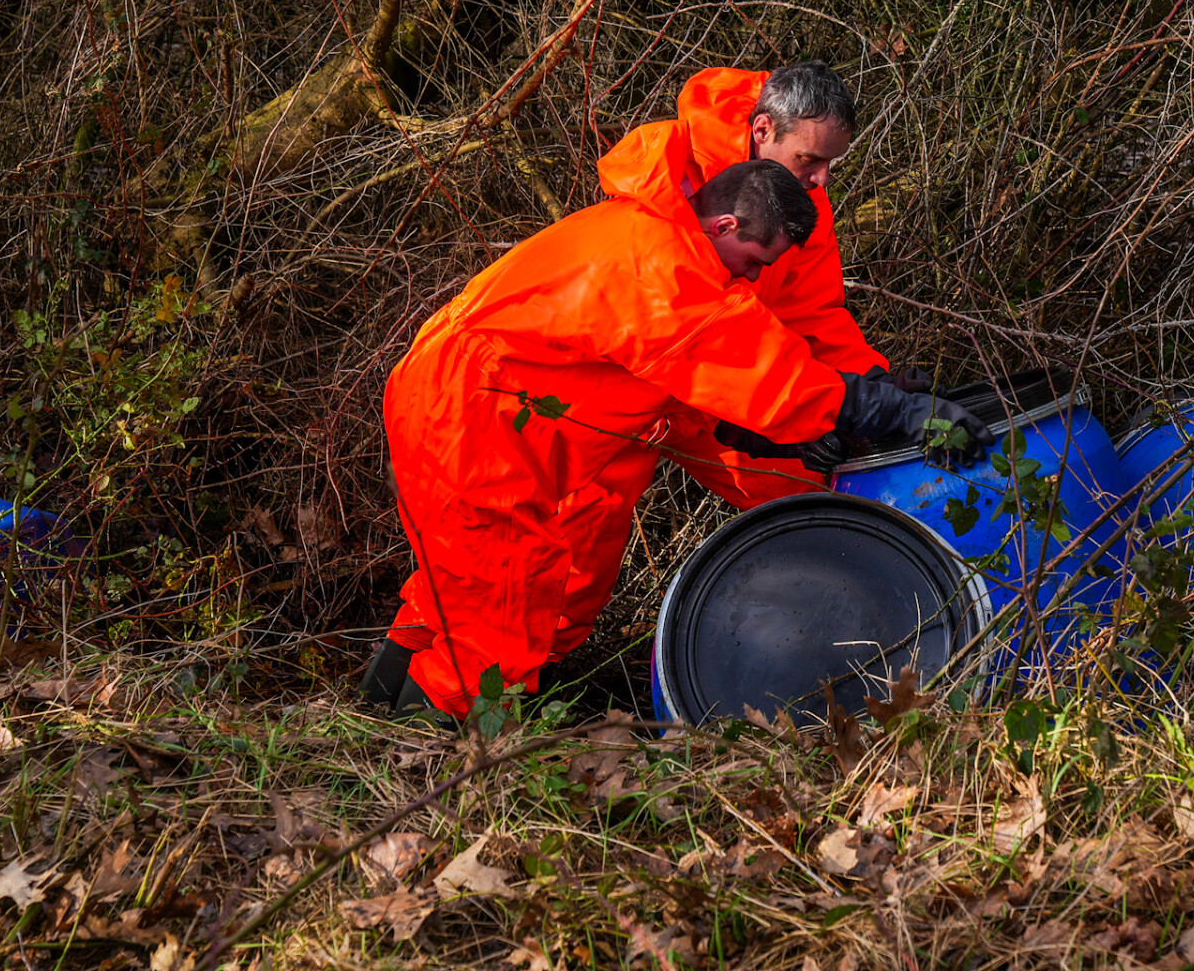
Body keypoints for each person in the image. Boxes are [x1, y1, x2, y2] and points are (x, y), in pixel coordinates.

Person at [365, 159, 991, 719]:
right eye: (753, 261)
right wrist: (900, 413)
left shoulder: (650, 234)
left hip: (459, 401)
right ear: (723, 226)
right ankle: (437, 772)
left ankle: (369, 724)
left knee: (453, 590)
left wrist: (815, 429)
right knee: (497, 610)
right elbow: (774, 380)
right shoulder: (666, 270)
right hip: (473, 418)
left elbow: (703, 411)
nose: (750, 281)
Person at [598, 62, 931, 507]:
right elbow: (676, 330)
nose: (821, 178)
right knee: (569, 538)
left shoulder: (807, 203)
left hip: (732, 393)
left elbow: (812, 313)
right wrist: (777, 419)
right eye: (810, 160)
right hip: (629, 389)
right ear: (763, 129)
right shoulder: (673, 184)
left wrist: (871, 385)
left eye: (830, 163)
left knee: (827, 494)